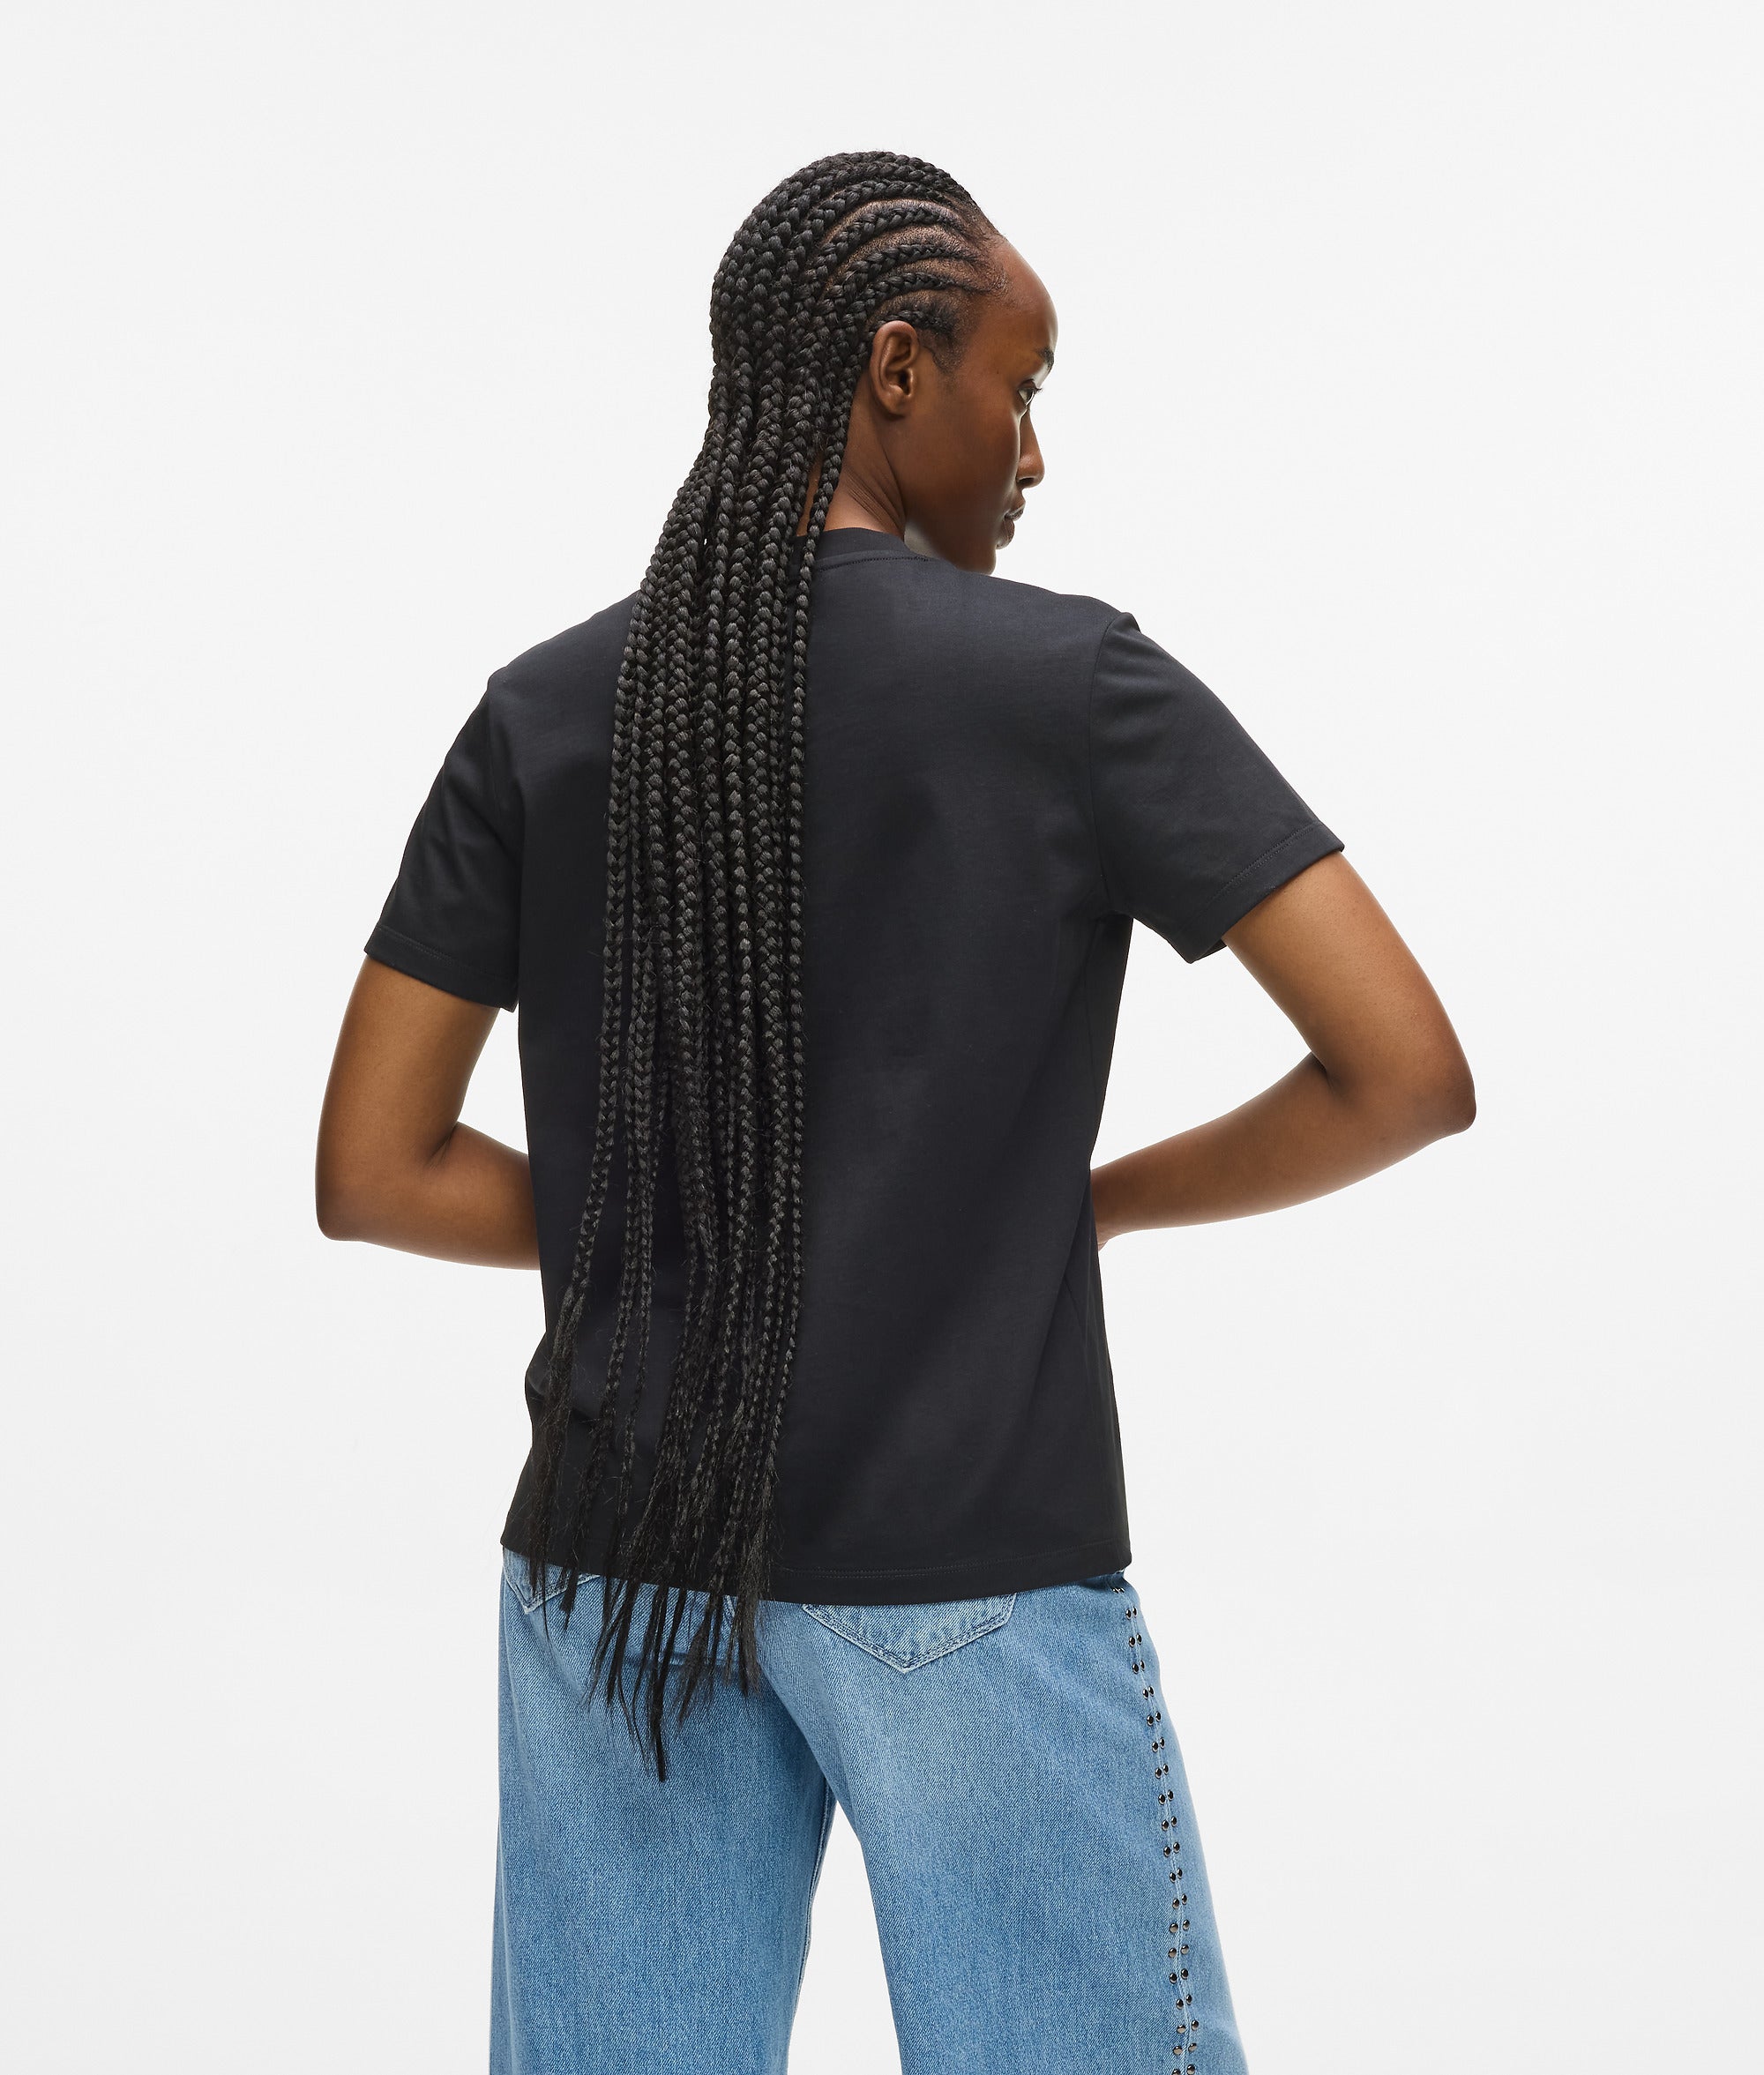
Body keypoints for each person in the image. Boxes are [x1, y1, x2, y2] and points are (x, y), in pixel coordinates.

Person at [316, 150, 1475, 2075]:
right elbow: (1405, 1070)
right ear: (895, 368)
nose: (1035, 451)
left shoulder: (549, 708)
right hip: (967, 1566)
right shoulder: (1071, 686)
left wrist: (677, 1216)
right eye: (1024, 385)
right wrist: (1091, 1201)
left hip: (616, 1581)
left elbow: (374, 1168)